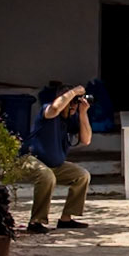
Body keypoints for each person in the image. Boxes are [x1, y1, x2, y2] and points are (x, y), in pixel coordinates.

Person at [21, 80, 92, 233]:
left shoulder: (70, 119)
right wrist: (74, 92)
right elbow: (55, 108)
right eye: (72, 103)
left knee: (82, 176)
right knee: (47, 176)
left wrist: (83, 113)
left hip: (54, 164)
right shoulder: (48, 110)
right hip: (29, 159)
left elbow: (86, 140)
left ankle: (66, 219)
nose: (73, 106)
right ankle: (36, 222)